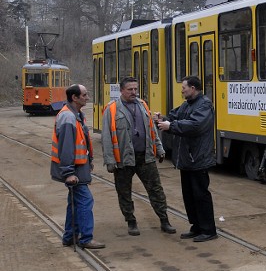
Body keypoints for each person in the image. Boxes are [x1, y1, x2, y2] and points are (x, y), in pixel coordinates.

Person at [102, 77, 176, 236]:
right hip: (123, 159)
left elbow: (151, 129)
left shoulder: (142, 105)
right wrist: (109, 160)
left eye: (135, 89)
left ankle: (164, 220)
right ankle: (131, 221)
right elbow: (107, 137)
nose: (134, 92)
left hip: (145, 157)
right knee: (124, 191)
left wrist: (159, 148)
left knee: (156, 190)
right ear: (122, 90)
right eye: (130, 89)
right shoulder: (112, 109)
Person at [156, 75, 217, 242]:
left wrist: (171, 126)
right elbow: (174, 117)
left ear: (193, 88)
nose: (182, 90)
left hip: (198, 158)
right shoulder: (186, 105)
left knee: (200, 194)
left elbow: (196, 126)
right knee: (189, 195)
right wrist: (162, 120)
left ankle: (208, 230)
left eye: (184, 88)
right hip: (186, 160)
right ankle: (196, 227)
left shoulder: (204, 104)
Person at [51, 84, 105, 249]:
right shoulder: (68, 117)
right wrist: (68, 173)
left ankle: (70, 236)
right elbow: (66, 148)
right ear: (74, 97)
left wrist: (89, 162)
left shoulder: (76, 115)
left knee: (74, 201)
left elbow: (80, 143)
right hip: (74, 170)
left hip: (79, 167)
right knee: (85, 201)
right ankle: (85, 238)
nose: (87, 97)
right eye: (84, 95)